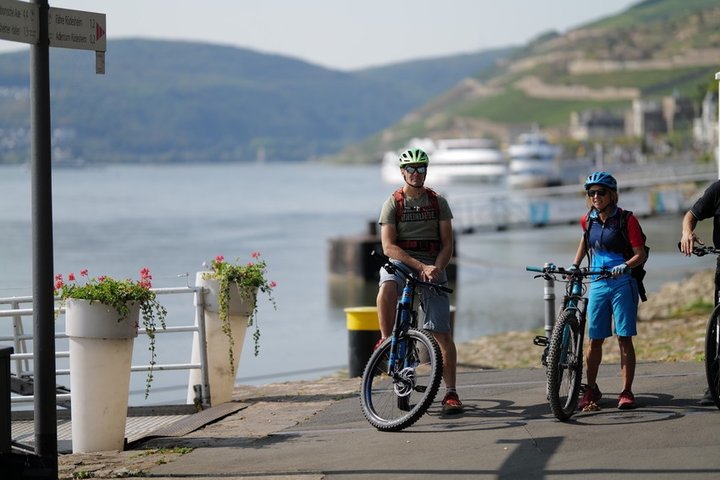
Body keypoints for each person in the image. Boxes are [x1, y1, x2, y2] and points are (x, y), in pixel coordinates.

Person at [375, 147, 462, 414]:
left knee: (441, 333)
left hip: (432, 264)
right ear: (402, 172)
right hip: (404, 261)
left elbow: (448, 244)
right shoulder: (393, 202)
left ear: (426, 170)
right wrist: (419, 266)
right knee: (387, 283)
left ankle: (451, 393)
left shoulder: (438, 202)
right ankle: (386, 339)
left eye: (420, 168)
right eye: (410, 169)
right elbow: (389, 247)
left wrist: (436, 267)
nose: (416, 173)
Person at [570, 171, 647, 410]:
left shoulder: (627, 220)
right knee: (594, 339)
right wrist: (575, 264)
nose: (595, 196)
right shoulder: (588, 220)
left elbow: (640, 254)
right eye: (591, 193)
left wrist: (625, 266)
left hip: (622, 283)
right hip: (598, 284)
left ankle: (626, 391)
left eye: (600, 192)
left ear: (611, 195)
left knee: (624, 338)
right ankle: (591, 389)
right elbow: (585, 241)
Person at [679, 178, 720, 405]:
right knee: (717, 326)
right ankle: (715, 383)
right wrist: (687, 233)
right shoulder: (717, 189)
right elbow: (691, 216)